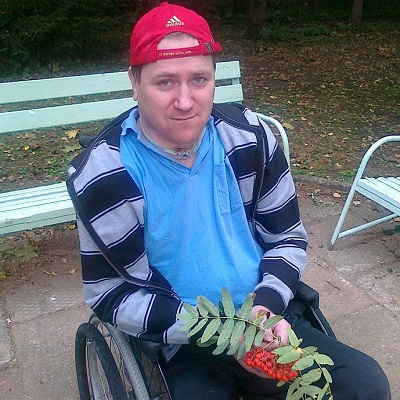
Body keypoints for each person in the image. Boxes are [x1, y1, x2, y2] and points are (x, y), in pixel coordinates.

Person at [67, 2, 391, 399]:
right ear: (135, 83)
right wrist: (222, 333)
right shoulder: (104, 176)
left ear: (213, 80)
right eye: (165, 82)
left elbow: (287, 238)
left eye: (198, 79)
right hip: (183, 338)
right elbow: (108, 293)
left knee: (366, 385)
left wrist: (264, 309)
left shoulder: (251, 140)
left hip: (266, 317)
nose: (185, 101)